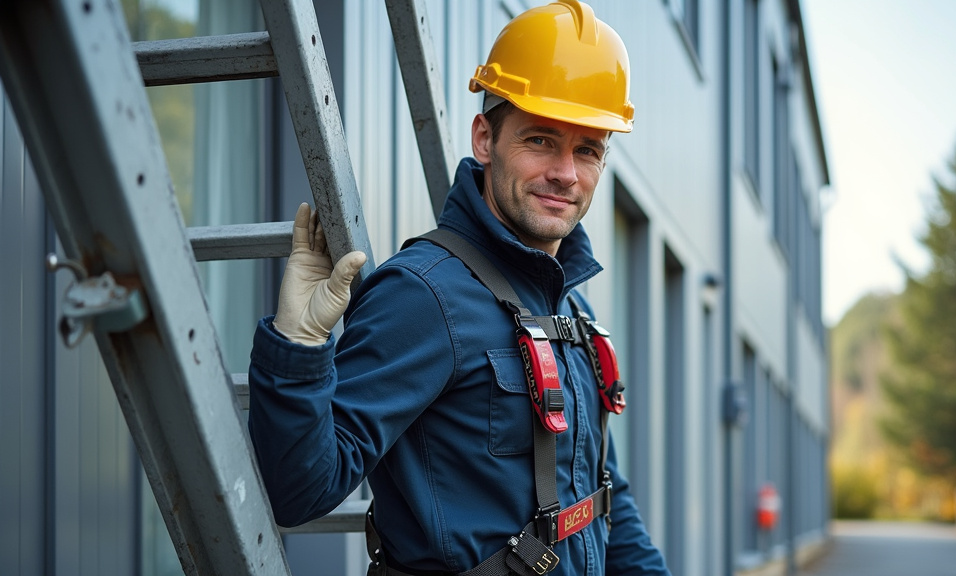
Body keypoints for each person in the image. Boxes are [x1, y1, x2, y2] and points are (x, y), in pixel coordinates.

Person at [248, 1, 671, 574]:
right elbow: (301, 491)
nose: (566, 173)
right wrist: (297, 349)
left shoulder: (570, 309)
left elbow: (604, 499)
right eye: (541, 140)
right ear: (484, 138)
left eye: (587, 149)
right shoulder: (424, 295)